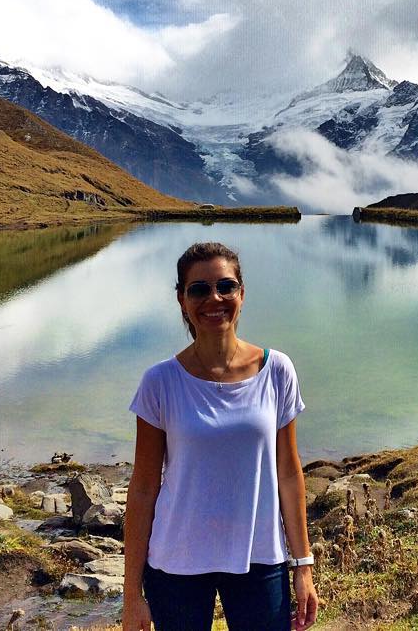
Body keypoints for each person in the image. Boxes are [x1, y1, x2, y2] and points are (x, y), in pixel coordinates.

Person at [122, 241, 319, 631]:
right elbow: (144, 488)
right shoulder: (160, 382)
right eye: (198, 289)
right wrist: (131, 597)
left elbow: (289, 474)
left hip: (260, 557)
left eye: (225, 286)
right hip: (175, 564)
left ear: (241, 294)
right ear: (181, 300)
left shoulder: (276, 370)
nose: (214, 298)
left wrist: (303, 566)